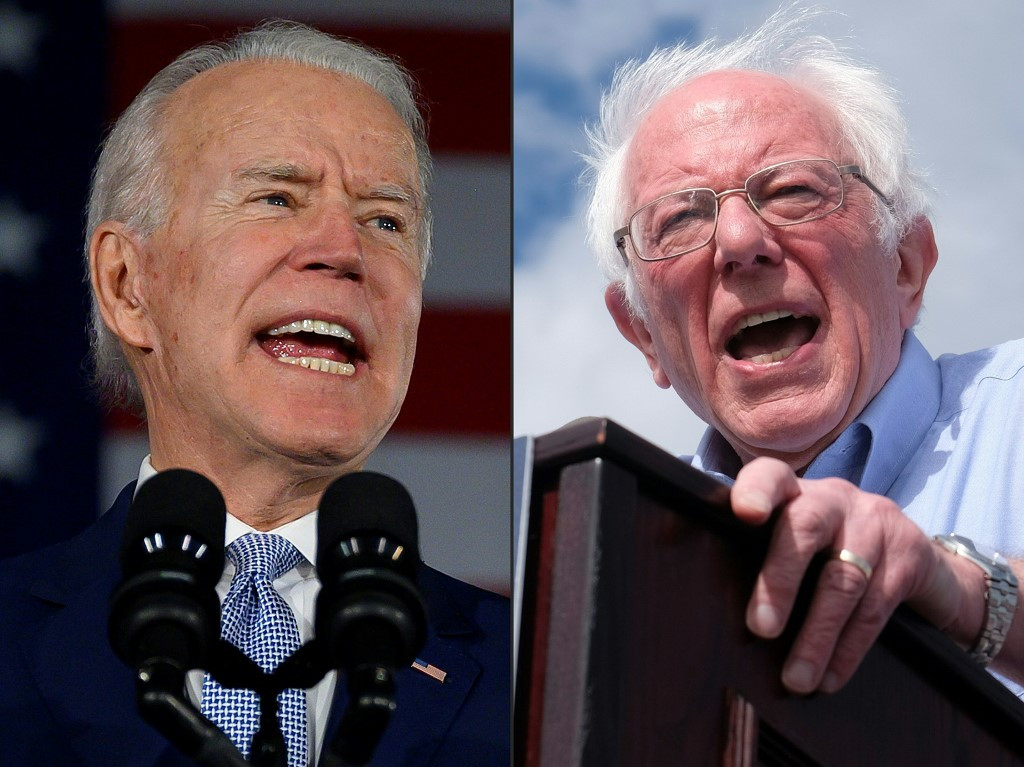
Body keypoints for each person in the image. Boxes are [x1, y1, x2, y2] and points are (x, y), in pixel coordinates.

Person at [0, 20, 508, 767]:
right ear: (126, 284)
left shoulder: (534, 671)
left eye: (385, 219)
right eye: (276, 198)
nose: (344, 251)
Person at [584, 6, 1024, 698]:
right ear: (644, 333)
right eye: (680, 219)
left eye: (793, 190)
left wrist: (966, 590)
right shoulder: (609, 545)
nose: (737, 241)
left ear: (906, 263)